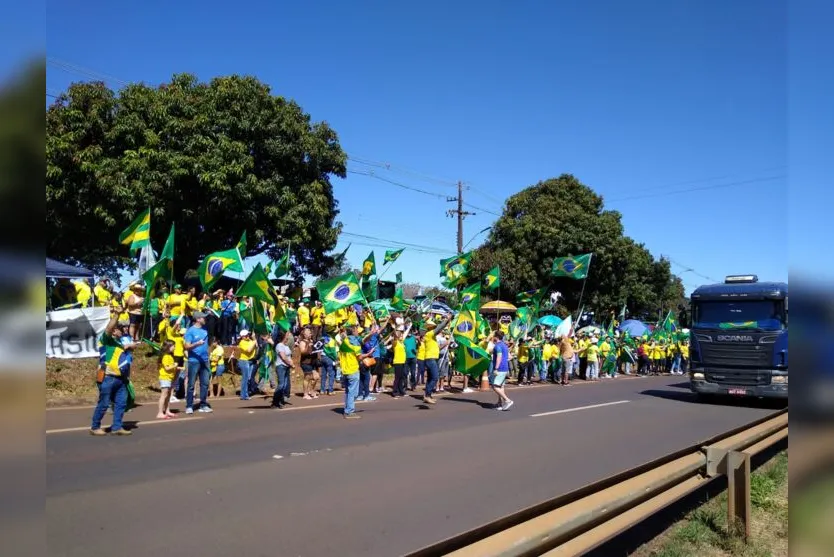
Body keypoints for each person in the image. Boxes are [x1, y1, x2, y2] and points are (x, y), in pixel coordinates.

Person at [90, 304, 133, 436]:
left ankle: (117, 427)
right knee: (103, 403)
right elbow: (108, 328)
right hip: (107, 376)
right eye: (121, 328)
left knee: (120, 403)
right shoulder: (106, 340)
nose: (124, 329)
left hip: (120, 378)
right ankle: (95, 427)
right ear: (114, 331)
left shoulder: (119, 344)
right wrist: (117, 314)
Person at [339, 326, 374, 419]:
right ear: (354, 332)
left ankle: (347, 409)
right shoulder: (355, 344)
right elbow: (360, 357)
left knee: (348, 391)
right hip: (353, 369)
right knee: (353, 393)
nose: (358, 332)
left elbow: (363, 340)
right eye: (356, 331)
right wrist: (368, 354)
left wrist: (371, 333)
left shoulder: (344, 342)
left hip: (344, 370)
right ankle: (349, 411)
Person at [183, 311, 213, 414]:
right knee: (191, 384)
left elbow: (209, 343)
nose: (205, 319)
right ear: (198, 319)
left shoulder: (205, 330)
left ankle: (203, 404)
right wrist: (197, 344)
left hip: (205, 360)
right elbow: (186, 346)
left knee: (204, 383)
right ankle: (189, 405)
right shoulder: (190, 331)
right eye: (203, 318)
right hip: (193, 361)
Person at [422, 314, 452, 405]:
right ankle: (427, 395)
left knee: (430, 378)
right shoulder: (430, 334)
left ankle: (428, 395)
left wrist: (446, 343)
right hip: (430, 359)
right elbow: (440, 327)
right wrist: (447, 320)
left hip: (431, 358)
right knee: (435, 377)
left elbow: (437, 348)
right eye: (434, 327)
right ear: (431, 328)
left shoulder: (432, 338)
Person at [271, 328, 294, 409]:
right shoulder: (279, 345)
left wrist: (290, 363)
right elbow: (283, 357)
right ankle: (275, 402)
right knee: (281, 385)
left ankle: (280, 401)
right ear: (283, 337)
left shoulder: (286, 346)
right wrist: (291, 364)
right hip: (281, 366)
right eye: (287, 336)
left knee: (284, 385)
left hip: (286, 367)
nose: (288, 337)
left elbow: (288, 356)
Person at [490, 331, 513, 411]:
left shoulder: (497, 346)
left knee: (495, 386)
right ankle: (499, 403)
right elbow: (510, 357)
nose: (493, 337)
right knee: (501, 386)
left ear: (496, 337)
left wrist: (496, 368)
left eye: (493, 336)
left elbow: (499, 356)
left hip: (500, 369)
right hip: (505, 368)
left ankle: (507, 400)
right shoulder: (504, 345)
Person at [156, 340, 179, 419]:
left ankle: (167, 410)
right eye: (173, 346)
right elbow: (167, 368)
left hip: (169, 377)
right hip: (165, 377)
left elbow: (171, 366)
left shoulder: (169, 356)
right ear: (168, 347)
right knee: (164, 395)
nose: (174, 347)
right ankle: (160, 412)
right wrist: (175, 365)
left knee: (168, 395)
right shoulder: (165, 356)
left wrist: (177, 367)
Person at [298, 326, 320, 400]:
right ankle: (305, 394)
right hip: (306, 362)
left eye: (311, 333)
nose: (311, 334)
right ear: (305, 334)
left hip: (313, 362)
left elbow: (314, 350)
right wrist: (308, 345)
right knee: (307, 378)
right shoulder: (302, 342)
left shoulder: (311, 341)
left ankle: (312, 391)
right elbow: (302, 352)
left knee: (316, 377)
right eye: (309, 333)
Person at [237, 330, 257, 400]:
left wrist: (254, 338)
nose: (248, 336)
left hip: (250, 361)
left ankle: (246, 393)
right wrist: (254, 341)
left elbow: (256, 345)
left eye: (248, 334)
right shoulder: (242, 342)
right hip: (243, 361)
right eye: (246, 335)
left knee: (248, 378)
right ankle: (243, 395)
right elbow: (249, 350)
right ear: (242, 337)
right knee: (245, 379)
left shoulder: (250, 341)